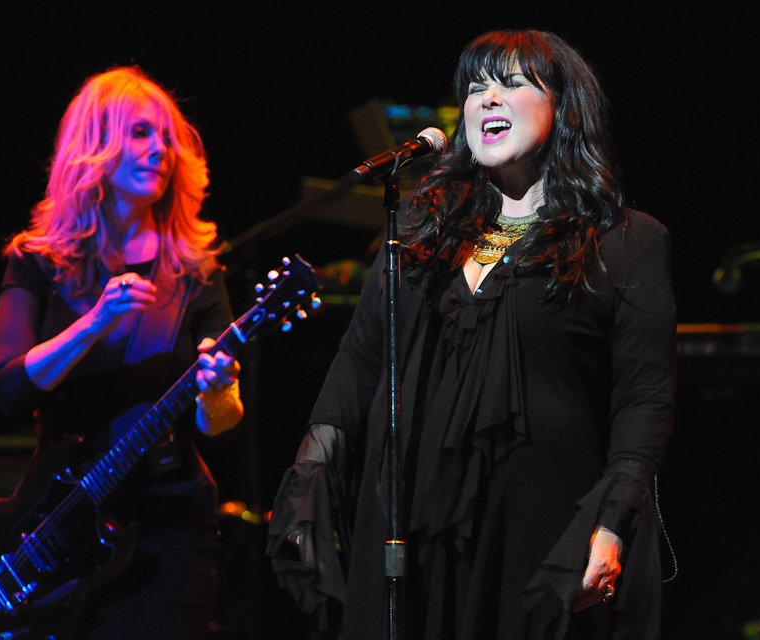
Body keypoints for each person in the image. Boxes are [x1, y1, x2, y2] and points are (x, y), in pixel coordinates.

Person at [267, 29, 676, 640]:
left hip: (538, 516)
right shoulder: (418, 228)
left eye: (510, 83)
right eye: (475, 87)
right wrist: (308, 479)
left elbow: (645, 397)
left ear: (563, 107)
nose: (486, 98)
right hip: (409, 512)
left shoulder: (626, 240)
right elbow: (360, 359)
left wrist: (613, 522)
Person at [0, 67, 242, 639]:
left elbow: (223, 422)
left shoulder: (195, 270)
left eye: (166, 138)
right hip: (54, 528)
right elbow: (7, 391)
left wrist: (217, 390)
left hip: (167, 523)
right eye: (139, 133)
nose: (159, 149)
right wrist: (94, 324)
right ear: (94, 147)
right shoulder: (37, 261)